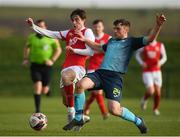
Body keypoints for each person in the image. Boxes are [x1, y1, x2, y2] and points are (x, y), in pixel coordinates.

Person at [62, 14, 166, 134]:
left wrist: (158, 25)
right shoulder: (111, 41)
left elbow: (150, 39)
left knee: (114, 110)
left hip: (114, 78)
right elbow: (99, 47)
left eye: (118, 28)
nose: (115, 30)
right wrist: (85, 40)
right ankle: (79, 118)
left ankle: (138, 121)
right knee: (80, 85)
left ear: (126, 30)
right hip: (100, 74)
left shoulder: (132, 42)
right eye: (114, 28)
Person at [26, 9, 95, 123]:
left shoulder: (87, 32)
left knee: (67, 77)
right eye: (73, 20)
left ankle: (72, 113)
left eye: (77, 19)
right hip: (66, 67)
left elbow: (90, 52)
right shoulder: (69, 32)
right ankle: (80, 117)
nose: (74, 22)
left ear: (83, 20)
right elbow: (51, 33)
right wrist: (33, 27)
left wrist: (74, 50)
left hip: (78, 67)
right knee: (66, 101)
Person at [23, 19, 61, 113]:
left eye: (42, 26)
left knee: (44, 90)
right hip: (35, 66)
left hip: (46, 67)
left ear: (45, 27)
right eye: (38, 26)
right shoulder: (31, 37)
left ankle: (47, 90)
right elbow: (27, 47)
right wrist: (26, 59)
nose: (40, 28)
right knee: (38, 86)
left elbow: (58, 50)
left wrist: (52, 60)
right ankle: (37, 111)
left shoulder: (51, 37)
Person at [84, 19, 110, 119]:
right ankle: (104, 113)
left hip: (104, 68)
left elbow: (110, 51)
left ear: (103, 27)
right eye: (95, 26)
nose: (97, 28)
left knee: (96, 92)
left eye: (99, 26)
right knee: (98, 92)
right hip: (92, 68)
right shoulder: (91, 38)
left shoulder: (108, 38)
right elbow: (89, 52)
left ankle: (87, 105)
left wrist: (99, 50)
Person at [135, 38, 167, 115]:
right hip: (147, 72)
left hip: (157, 71)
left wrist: (160, 62)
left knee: (158, 92)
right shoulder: (145, 45)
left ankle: (155, 109)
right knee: (151, 91)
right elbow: (137, 54)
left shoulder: (160, 45)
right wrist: (142, 63)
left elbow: (164, 57)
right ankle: (144, 100)